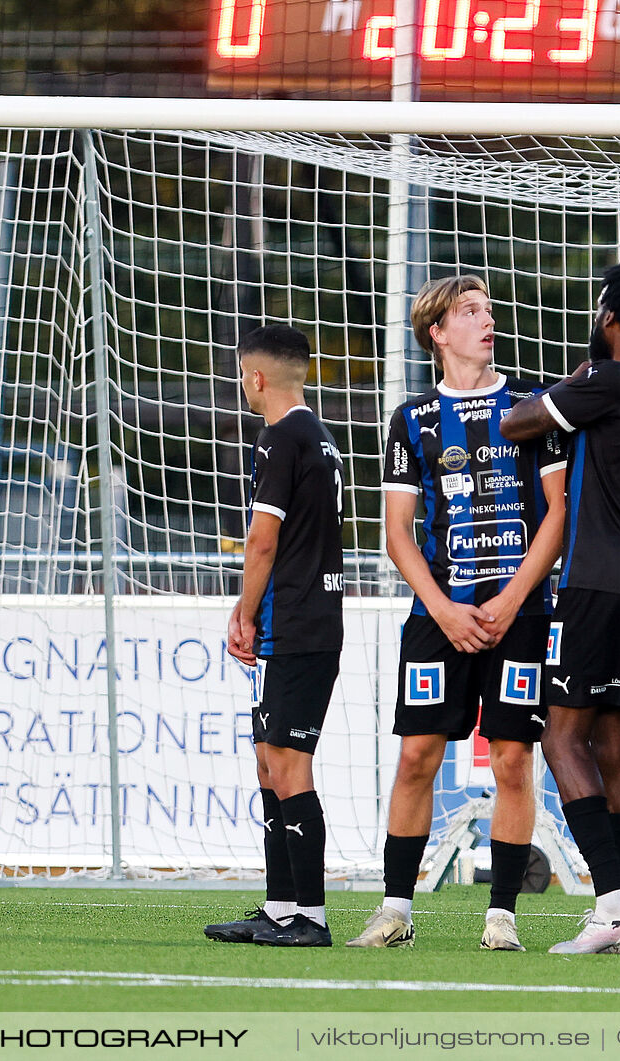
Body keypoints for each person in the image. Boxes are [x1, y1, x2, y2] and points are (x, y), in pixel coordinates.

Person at [346, 275, 566, 953]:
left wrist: (508, 598)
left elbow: (558, 513)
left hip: (519, 612)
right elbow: (395, 531)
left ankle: (500, 915)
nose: (486, 320)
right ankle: (393, 911)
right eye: (469, 312)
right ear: (435, 332)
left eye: (489, 311)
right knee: (417, 754)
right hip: (438, 614)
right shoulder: (410, 418)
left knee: (510, 759)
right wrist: (442, 608)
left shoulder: (532, 408)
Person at [502, 263, 620, 955]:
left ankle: (611, 904)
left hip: (598, 580)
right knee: (614, 742)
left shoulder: (606, 378)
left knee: (560, 736)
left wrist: (568, 381)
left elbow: (517, 420)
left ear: (610, 315)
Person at [203, 325, 346, 948]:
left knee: (288, 764)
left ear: (256, 377)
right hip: (305, 621)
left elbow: (263, 538)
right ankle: (280, 906)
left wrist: (243, 611)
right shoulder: (320, 437)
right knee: (268, 763)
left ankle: (309, 917)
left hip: (297, 622)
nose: (242, 385)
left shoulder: (280, 438)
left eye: (241, 375)